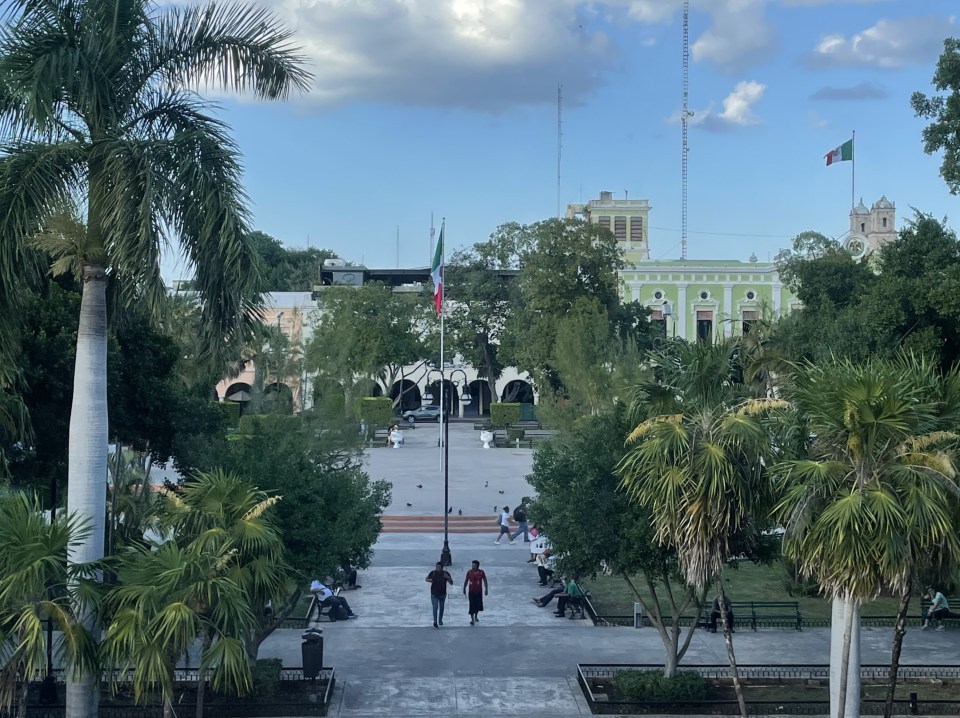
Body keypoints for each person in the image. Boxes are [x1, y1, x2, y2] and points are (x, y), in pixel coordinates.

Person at [425, 561, 453, 628]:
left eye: (439, 567)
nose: (437, 568)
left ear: (442, 568)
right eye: (436, 567)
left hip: (442, 594)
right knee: (435, 607)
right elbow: (426, 579)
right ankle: (435, 621)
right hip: (434, 593)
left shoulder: (445, 573)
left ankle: (440, 620)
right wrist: (429, 580)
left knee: (442, 607)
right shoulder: (433, 573)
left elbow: (451, 583)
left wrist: (448, 577)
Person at [463, 559, 488, 625]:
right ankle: (472, 619)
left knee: (477, 605)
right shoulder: (469, 572)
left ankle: (476, 615)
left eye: (474, 565)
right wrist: (464, 588)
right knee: (471, 604)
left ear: (477, 566)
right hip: (471, 591)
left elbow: (485, 581)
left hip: (479, 591)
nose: (473, 567)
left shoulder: (481, 572)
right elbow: (466, 580)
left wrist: (486, 589)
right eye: (472, 565)